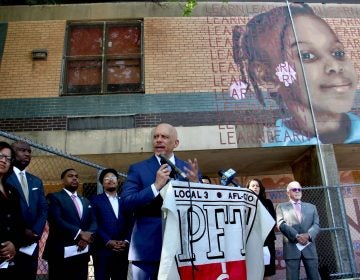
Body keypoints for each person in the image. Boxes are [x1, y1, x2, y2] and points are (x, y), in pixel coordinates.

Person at [232, 3, 359, 146]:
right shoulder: (273, 154)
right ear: (266, 76)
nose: (335, 65)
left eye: (338, 53)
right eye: (307, 55)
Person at [121, 123, 202, 280]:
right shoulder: (137, 169)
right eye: (156, 136)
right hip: (147, 249)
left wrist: (196, 186)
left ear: (175, 143)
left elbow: (199, 207)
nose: (158, 140)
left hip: (182, 248)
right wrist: (155, 186)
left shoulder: (189, 169)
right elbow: (126, 203)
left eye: (164, 137)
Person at [43, 168, 97, 280]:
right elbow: (56, 220)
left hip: (81, 251)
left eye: (76, 176)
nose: (74, 178)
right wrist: (80, 233)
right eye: (70, 176)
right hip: (60, 252)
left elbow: (94, 221)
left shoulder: (85, 200)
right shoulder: (54, 197)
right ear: (62, 180)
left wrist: (86, 238)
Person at [6, 140, 48, 280]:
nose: (27, 154)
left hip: (32, 242)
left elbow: (43, 209)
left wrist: (36, 231)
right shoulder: (4, 177)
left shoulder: (36, 181)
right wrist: (22, 231)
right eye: (22, 150)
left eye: (29, 151)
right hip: (11, 241)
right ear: (12, 154)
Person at [90, 168, 133, 280]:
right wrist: (107, 241)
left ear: (117, 181)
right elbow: (94, 223)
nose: (110, 180)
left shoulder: (124, 200)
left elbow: (131, 223)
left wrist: (126, 241)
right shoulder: (95, 200)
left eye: (113, 177)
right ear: (102, 183)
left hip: (122, 250)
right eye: (106, 178)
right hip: (102, 251)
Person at [276, 181, 320, 280]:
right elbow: (281, 224)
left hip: (309, 247)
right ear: (288, 193)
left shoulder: (312, 207)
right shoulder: (281, 207)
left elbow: (316, 225)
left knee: (314, 277)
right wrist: (296, 236)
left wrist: (308, 235)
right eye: (294, 189)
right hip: (291, 247)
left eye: (299, 189)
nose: (297, 191)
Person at [0, 141, 26, 280]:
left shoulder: (12, 191)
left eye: (8, 158)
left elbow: (18, 222)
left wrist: (14, 244)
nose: (4, 160)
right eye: (0, 156)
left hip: (9, 257)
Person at [246, 178, 276, 279]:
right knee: (254, 271)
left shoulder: (268, 202)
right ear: (248, 188)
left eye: (257, 186)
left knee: (268, 272)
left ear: (260, 189)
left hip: (267, 241)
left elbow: (272, 220)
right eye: (252, 185)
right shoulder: (243, 203)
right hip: (251, 243)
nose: (255, 187)